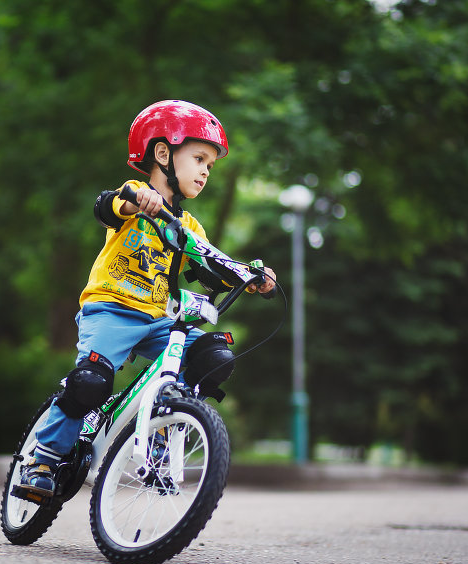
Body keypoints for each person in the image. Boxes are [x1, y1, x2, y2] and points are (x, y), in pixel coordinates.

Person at [17, 100, 277, 497]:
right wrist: (136, 202)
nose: (206, 170)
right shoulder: (137, 195)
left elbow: (213, 268)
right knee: (90, 381)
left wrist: (251, 277)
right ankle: (44, 459)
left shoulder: (190, 226)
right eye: (199, 158)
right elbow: (108, 205)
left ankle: (160, 430)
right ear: (163, 153)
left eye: (211, 164)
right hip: (111, 308)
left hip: (158, 320)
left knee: (214, 356)